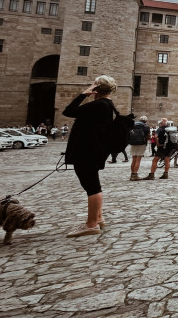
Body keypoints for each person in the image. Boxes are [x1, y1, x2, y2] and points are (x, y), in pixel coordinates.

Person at [61, 75, 115, 237]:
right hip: (92, 151)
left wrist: (84, 94)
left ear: (96, 88)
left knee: (92, 187)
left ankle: (91, 224)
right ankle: (98, 219)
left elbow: (68, 111)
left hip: (87, 152)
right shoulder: (105, 105)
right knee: (93, 185)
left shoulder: (99, 105)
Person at [128, 116, 150, 180]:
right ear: (146, 121)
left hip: (133, 143)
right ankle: (135, 175)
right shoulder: (146, 127)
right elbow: (149, 137)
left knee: (133, 160)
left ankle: (132, 174)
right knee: (138, 160)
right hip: (141, 144)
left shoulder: (133, 125)